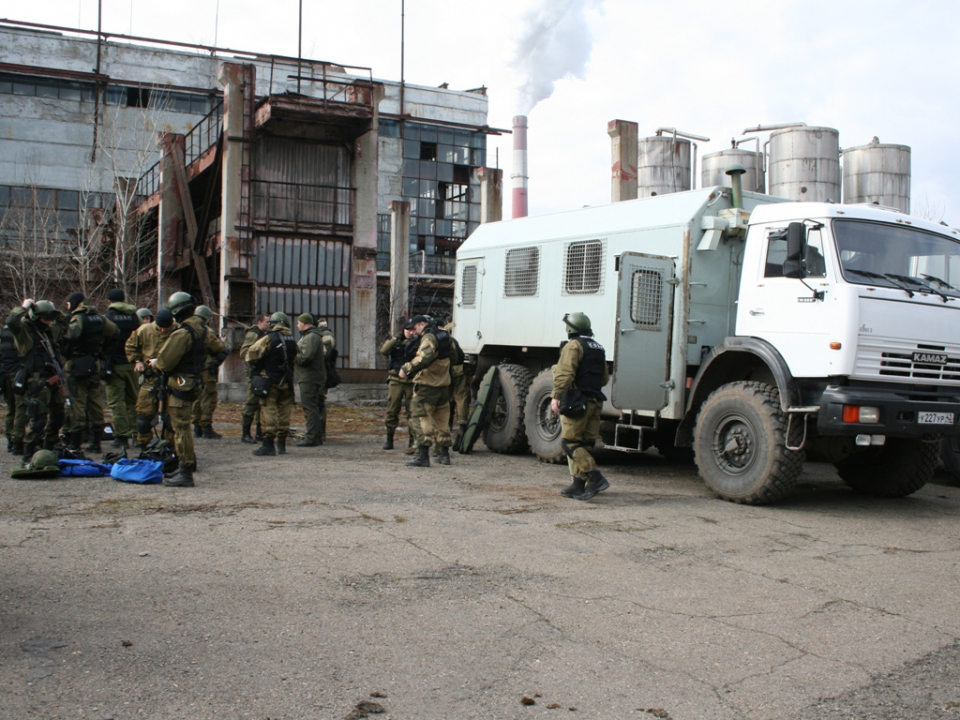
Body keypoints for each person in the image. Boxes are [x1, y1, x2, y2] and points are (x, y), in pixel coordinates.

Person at [551, 312, 610, 501]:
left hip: (577, 400)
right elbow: (604, 378)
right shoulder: (598, 347)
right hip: (595, 400)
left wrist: (556, 397)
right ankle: (578, 484)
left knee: (569, 443)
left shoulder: (573, 346)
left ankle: (594, 476)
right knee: (583, 442)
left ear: (570, 329)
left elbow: (564, 374)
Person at [149, 292, 207, 487]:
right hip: (193, 381)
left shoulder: (183, 333)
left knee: (181, 427)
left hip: (181, 383)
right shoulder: (200, 327)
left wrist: (155, 363)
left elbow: (165, 362)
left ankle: (185, 471)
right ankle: (185, 465)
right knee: (183, 426)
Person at [6, 299, 66, 465]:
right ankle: (29, 451)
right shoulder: (25, 331)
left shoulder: (48, 331)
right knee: (38, 417)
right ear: (35, 317)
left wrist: (54, 310)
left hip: (53, 377)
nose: (47, 322)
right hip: (36, 379)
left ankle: (49, 445)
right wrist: (25, 307)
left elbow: (63, 323)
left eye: (49, 319)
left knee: (59, 414)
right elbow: (12, 321)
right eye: (44, 319)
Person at [60, 291, 118, 454]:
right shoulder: (99, 318)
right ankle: (96, 443)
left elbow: (71, 334)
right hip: (94, 364)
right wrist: (101, 348)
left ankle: (76, 443)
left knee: (77, 403)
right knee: (95, 403)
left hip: (76, 366)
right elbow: (115, 332)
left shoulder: (77, 318)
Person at [399, 315, 452, 467]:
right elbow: (456, 357)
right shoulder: (444, 336)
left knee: (419, 418)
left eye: (414, 328)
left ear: (422, 324)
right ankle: (444, 454)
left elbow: (424, 357)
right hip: (443, 385)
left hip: (427, 386)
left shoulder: (429, 337)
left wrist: (406, 369)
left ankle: (423, 456)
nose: (414, 332)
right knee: (442, 420)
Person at [245, 312, 297, 457]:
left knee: (268, 411)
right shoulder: (292, 340)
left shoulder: (269, 338)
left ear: (273, 324)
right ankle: (281, 445)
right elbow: (296, 359)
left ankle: (268, 444)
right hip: (287, 382)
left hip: (270, 381)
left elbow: (251, 354)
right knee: (284, 413)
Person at [126, 307, 175, 450]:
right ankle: (143, 443)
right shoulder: (144, 330)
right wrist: (137, 361)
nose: (163, 331)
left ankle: (169, 445)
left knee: (171, 416)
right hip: (150, 377)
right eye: (161, 328)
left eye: (167, 328)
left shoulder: (177, 331)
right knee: (143, 415)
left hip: (170, 377)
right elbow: (130, 346)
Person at [102, 289, 141, 449]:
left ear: (109, 301)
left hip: (114, 365)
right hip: (132, 365)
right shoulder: (135, 317)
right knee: (134, 401)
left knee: (116, 402)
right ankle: (138, 434)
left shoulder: (107, 318)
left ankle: (122, 436)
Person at [378, 317, 418, 450]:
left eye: (413, 330)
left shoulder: (418, 341)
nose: (411, 332)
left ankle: (412, 440)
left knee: (412, 411)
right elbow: (384, 350)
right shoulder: (396, 341)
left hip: (412, 380)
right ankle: (389, 438)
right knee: (392, 409)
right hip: (395, 379)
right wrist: (396, 338)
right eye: (408, 330)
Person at [191, 305, 228, 440]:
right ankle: (206, 427)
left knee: (196, 398)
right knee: (209, 397)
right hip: (207, 368)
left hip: (194, 368)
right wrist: (222, 343)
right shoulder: (206, 331)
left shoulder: (188, 329)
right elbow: (217, 347)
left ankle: (196, 427)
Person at [294, 312, 326, 447]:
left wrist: (292, 355)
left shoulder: (311, 337)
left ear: (305, 323)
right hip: (310, 377)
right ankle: (316, 436)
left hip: (309, 377)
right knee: (313, 407)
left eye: (299, 322)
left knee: (310, 407)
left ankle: (311, 437)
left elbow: (305, 357)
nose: (297, 325)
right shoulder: (310, 336)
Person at [239, 312, 270, 444]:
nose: (269, 324)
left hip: (262, 373)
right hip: (255, 373)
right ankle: (245, 433)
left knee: (261, 404)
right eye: (266, 321)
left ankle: (259, 431)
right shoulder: (254, 335)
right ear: (259, 322)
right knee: (252, 402)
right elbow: (244, 353)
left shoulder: (264, 335)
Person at [1, 323, 27, 455]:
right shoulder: (20, 333)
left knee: (11, 407)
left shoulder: (3, 333)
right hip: (18, 375)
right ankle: (17, 439)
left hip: (4, 374)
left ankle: (10, 438)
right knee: (21, 407)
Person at [316, 317, 337, 444]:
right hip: (319, 373)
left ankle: (320, 433)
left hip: (322, 373)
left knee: (319, 403)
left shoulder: (327, 336)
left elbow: (322, 354)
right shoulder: (322, 336)